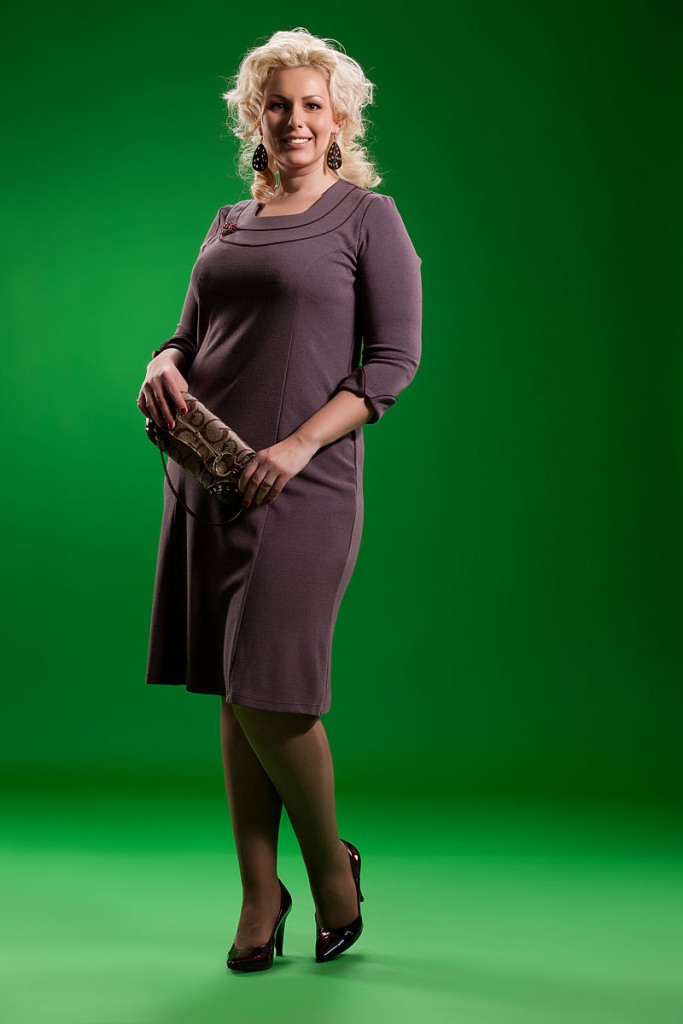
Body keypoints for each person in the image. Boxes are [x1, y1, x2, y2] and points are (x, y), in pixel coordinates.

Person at [137, 27, 422, 972]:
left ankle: (331, 871)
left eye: (311, 104)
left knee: (270, 688)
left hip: (302, 484)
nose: (294, 119)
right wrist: (161, 361)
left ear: (338, 121)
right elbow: (190, 335)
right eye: (277, 104)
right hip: (207, 476)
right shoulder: (227, 221)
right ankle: (260, 896)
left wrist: (297, 447)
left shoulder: (367, 219)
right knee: (234, 687)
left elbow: (392, 362)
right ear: (254, 120)